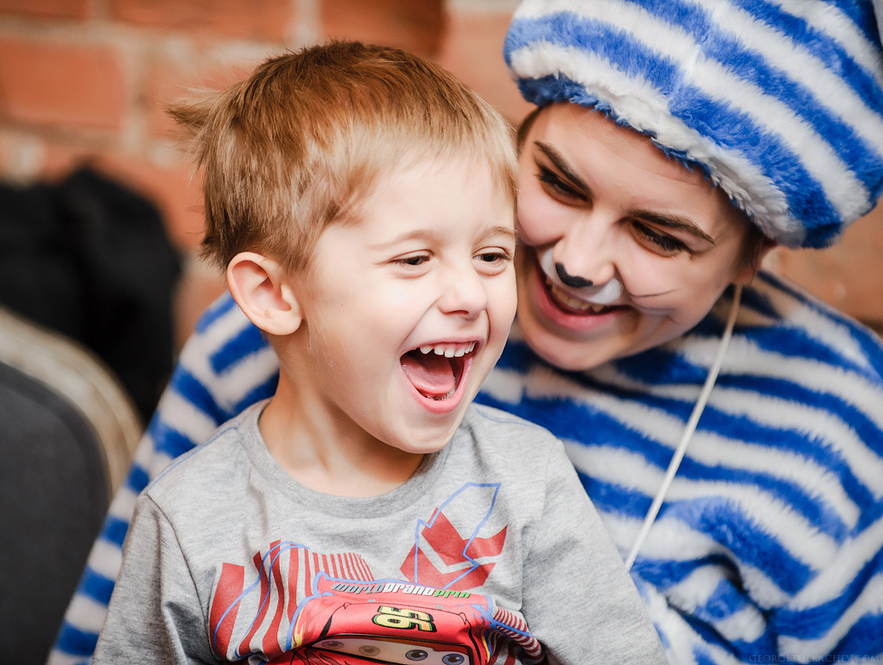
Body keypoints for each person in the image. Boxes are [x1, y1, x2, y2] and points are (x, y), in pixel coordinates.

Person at [50, 2, 883, 664]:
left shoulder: (845, 420)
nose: (576, 262)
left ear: (753, 256)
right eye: (555, 181)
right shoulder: (267, 346)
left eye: (660, 236)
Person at [89, 40, 665, 664]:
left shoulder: (528, 482)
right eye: (414, 259)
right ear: (275, 294)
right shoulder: (189, 522)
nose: (471, 294)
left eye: (492, 255)